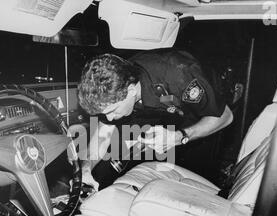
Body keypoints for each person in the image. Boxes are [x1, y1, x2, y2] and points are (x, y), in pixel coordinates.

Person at [77, 48, 234, 191]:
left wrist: (179, 137)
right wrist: (84, 170)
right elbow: (101, 137)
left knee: (196, 179)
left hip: (202, 116)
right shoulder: (118, 87)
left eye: (112, 111)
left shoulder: (178, 74)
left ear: (130, 91)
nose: (109, 118)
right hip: (166, 113)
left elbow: (225, 116)